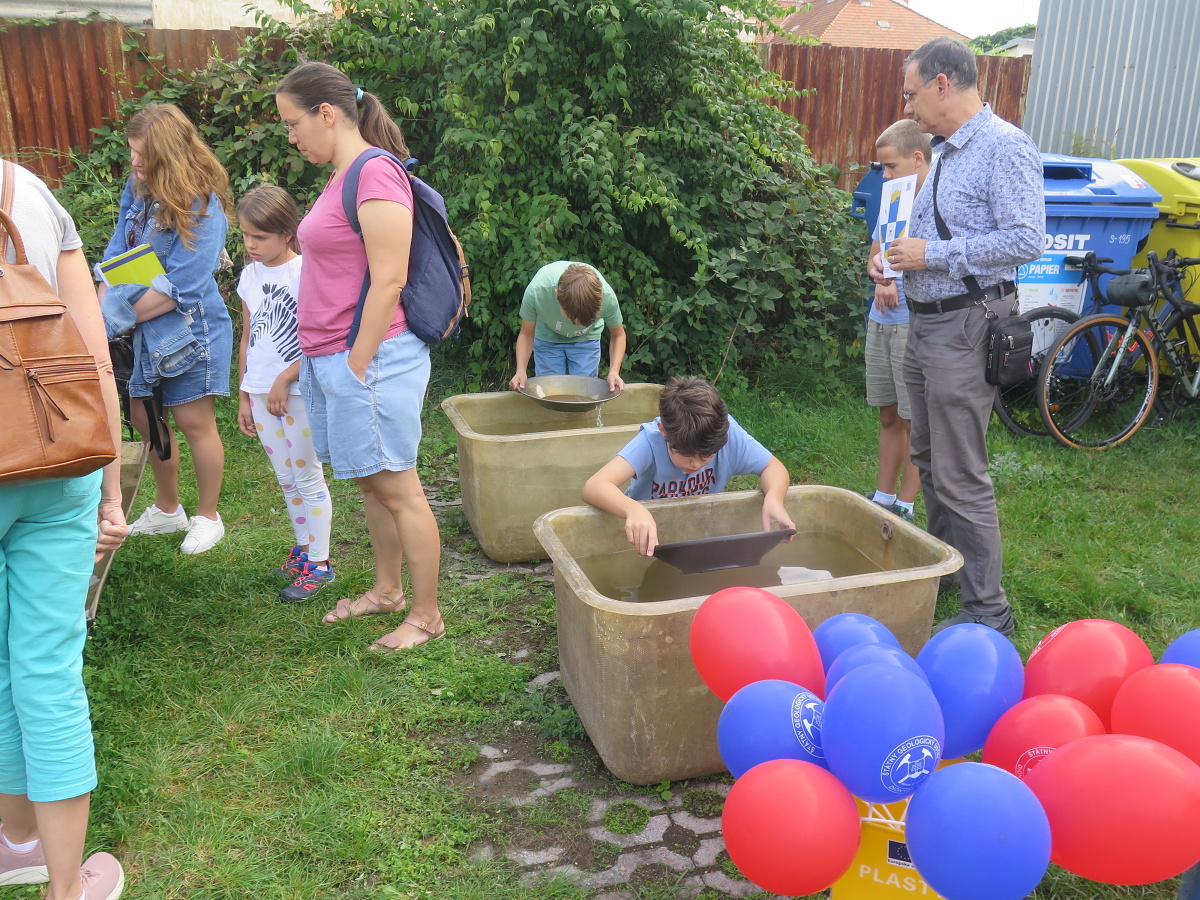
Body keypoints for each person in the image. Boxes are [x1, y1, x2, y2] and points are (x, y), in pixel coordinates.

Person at [870, 37, 1044, 636]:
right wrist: (892, 261)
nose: (907, 106)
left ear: (943, 84)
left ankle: (988, 610)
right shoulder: (943, 152)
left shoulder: (1005, 147)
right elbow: (921, 238)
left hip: (967, 326)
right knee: (928, 457)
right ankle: (946, 568)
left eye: (912, 93)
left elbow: (1027, 238)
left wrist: (932, 255)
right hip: (924, 324)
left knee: (960, 469)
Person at [275, 62, 445, 651]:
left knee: (400, 489)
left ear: (326, 113)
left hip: (370, 360)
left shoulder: (374, 173)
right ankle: (388, 591)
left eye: (293, 124)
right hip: (333, 358)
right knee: (372, 485)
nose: (291, 137)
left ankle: (425, 616)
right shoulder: (341, 175)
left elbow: (390, 277)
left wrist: (356, 364)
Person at [0, 161, 127, 899]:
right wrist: (111, 489)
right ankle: (62, 887)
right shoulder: (29, 191)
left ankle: (15, 839)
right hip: (56, 457)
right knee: (47, 670)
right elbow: (92, 354)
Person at [99, 103, 233, 555]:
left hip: (192, 330)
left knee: (194, 422)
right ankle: (167, 509)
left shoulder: (203, 205)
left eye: (142, 153)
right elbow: (115, 257)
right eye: (132, 151)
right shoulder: (138, 189)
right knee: (146, 419)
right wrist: (103, 304)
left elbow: (184, 289)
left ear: (168, 154)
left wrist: (110, 318)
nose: (134, 161)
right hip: (140, 326)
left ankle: (208, 517)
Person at [234, 185, 336, 603]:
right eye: (245, 235)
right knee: (286, 477)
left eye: (260, 237)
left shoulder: (305, 272)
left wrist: (285, 379)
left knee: (308, 476)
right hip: (259, 393)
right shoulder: (249, 276)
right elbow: (248, 336)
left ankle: (321, 563)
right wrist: (244, 393)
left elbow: (321, 338)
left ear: (287, 234)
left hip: (297, 393)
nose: (250, 245)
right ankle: (304, 549)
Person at [581, 376, 794, 557]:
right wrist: (633, 509)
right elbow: (594, 486)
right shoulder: (650, 442)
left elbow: (773, 468)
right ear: (664, 431)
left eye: (706, 455)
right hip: (645, 535)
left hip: (699, 529)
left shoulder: (725, 434)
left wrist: (774, 499)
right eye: (686, 454)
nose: (696, 463)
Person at [863, 120, 932, 524]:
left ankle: (906, 503)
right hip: (881, 318)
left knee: (913, 418)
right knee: (888, 414)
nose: (885, 176)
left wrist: (897, 278)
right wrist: (879, 277)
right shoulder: (892, 201)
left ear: (917, 158)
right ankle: (883, 495)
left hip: (913, 321)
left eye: (890, 166)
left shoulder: (936, 203)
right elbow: (875, 256)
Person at [508, 261, 626, 393]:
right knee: (548, 391)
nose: (574, 325)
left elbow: (618, 335)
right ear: (557, 294)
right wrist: (521, 370)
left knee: (585, 392)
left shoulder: (607, 298)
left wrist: (614, 371)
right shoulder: (536, 291)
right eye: (571, 318)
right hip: (547, 336)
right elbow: (526, 334)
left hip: (586, 338)